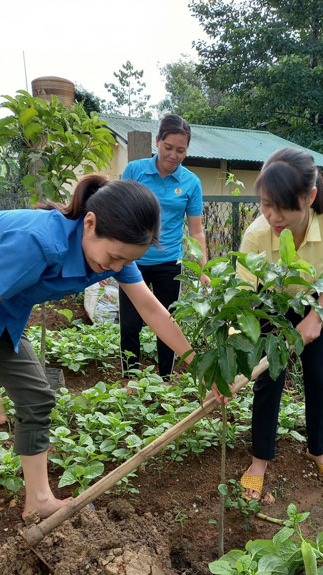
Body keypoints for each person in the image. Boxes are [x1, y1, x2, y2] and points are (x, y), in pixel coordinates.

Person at [0, 175, 217, 521]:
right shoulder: (37, 243)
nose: (115, 268)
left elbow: (151, 308)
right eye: (114, 257)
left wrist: (203, 370)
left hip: (0, 309)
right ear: (90, 223)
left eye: (124, 262)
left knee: (37, 397)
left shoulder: (113, 254)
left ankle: (38, 499)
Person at [237, 148, 323, 500]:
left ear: (310, 197)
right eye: (265, 204)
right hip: (273, 307)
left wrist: (317, 314)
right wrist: (237, 354)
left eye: (282, 206)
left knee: (319, 380)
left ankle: (317, 449)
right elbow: (244, 296)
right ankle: (260, 459)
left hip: (318, 304)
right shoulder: (257, 235)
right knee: (268, 380)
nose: (272, 216)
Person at [119, 114, 209, 379]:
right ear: (157, 142)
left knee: (169, 322)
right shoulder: (134, 171)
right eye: (168, 147)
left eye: (181, 150)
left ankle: (166, 379)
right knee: (130, 323)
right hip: (132, 262)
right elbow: (119, 214)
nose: (174, 155)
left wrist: (203, 268)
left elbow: (196, 230)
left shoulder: (191, 182)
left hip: (170, 262)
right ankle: (131, 378)